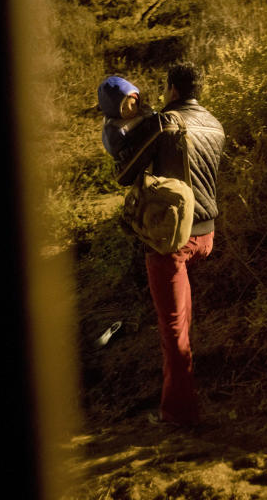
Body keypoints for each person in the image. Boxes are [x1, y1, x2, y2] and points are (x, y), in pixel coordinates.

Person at [114, 62, 225, 426]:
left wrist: (124, 130)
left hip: (172, 240)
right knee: (183, 324)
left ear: (172, 89)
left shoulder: (166, 121)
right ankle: (180, 398)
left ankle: (178, 414)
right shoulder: (214, 123)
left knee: (173, 330)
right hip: (207, 235)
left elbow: (124, 172)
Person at [97, 76, 155, 164]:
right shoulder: (114, 129)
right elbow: (117, 151)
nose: (130, 110)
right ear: (113, 111)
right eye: (123, 108)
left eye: (132, 104)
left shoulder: (144, 110)